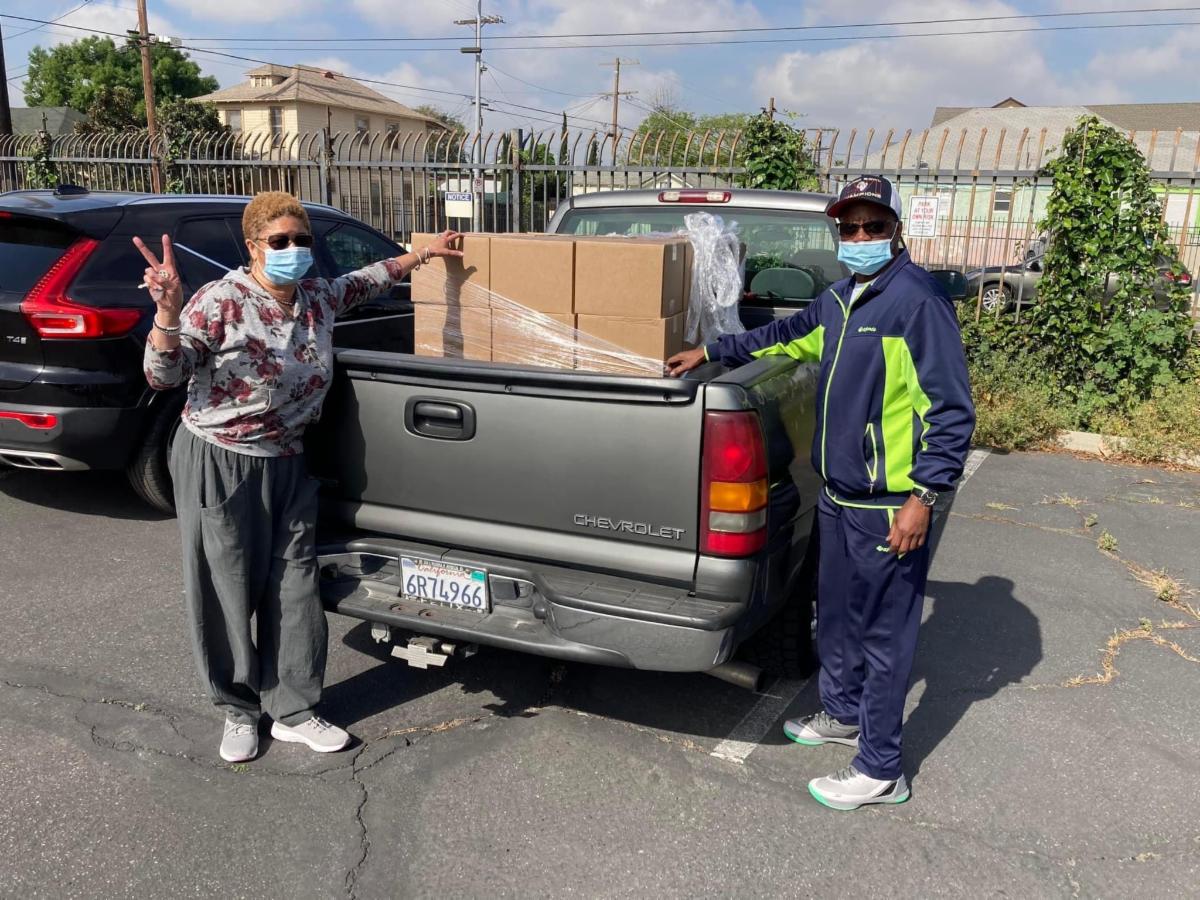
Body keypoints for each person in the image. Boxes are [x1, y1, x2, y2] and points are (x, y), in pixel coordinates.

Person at [668, 176, 975, 810]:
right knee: (835, 615)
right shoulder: (839, 300)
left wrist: (924, 497)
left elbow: (950, 412)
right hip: (838, 496)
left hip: (887, 504)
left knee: (884, 637)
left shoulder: (917, 304)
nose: (859, 237)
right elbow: (780, 336)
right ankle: (841, 713)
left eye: (873, 226)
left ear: (896, 231)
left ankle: (881, 767)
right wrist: (710, 349)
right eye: (849, 227)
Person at [138, 191, 462, 764]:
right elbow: (165, 374)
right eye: (280, 241)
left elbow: (370, 278)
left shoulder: (317, 297)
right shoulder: (221, 300)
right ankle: (239, 709)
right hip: (221, 458)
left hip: (288, 459)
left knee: (295, 585)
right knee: (226, 587)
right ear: (254, 246)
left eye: (302, 239)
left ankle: (292, 708)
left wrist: (424, 253)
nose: (293, 249)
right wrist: (166, 313)